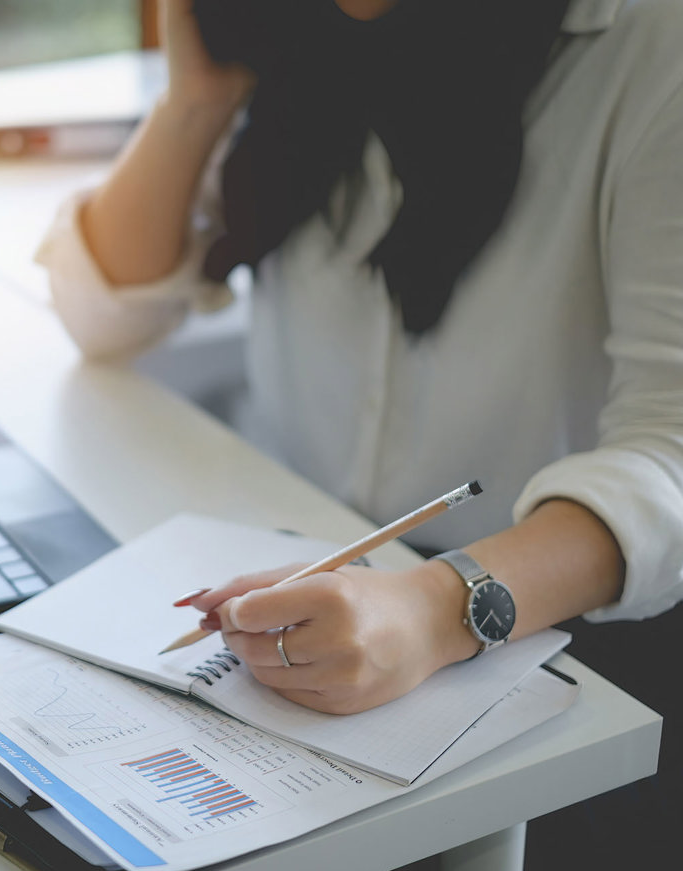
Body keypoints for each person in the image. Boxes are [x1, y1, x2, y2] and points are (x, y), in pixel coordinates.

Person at [35, 0, 683, 717]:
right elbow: (102, 314)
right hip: (293, 568)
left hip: (559, 635)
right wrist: (194, 101)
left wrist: (439, 608)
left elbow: (672, 449)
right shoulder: (292, 31)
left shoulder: (653, 45)